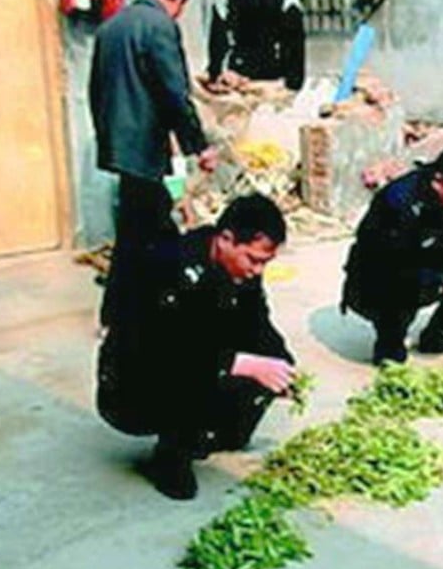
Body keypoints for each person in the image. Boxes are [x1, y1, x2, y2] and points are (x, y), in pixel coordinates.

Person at [96, 194, 296, 500]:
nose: (257, 271)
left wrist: (283, 363)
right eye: (253, 259)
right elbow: (161, 350)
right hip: (133, 380)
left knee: (267, 364)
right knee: (201, 371)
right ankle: (170, 458)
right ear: (226, 239)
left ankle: (211, 435)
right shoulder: (169, 264)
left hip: (195, 353)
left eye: (264, 263)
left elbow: (258, 325)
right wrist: (239, 364)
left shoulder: (242, 274)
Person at [89, 0, 219, 327]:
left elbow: (97, 89)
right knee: (151, 232)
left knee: (137, 231)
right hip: (144, 147)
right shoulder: (160, 26)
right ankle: (153, 312)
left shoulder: (111, 27)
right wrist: (199, 146)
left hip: (119, 144)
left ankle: (122, 313)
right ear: (178, 1)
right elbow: (174, 93)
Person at [340, 144, 443, 365]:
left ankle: (442, 333)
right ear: (438, 182)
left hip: (426, 261)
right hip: (377, 276)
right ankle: (390, 345)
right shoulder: (398, 201)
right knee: (393, 286)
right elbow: (389, 263)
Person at [207, 0, 306, 92]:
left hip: (274, 68)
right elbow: (219, 21)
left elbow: (293, 23)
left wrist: (294, 78)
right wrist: (216, 71)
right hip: (239, 67)